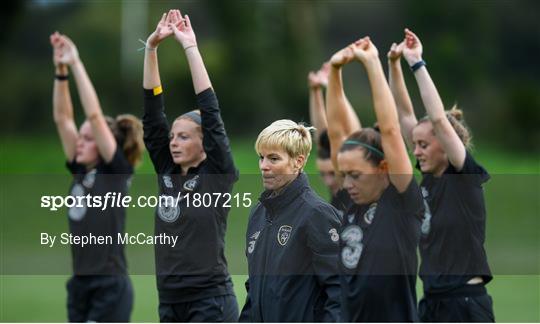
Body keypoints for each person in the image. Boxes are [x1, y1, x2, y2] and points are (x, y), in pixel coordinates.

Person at [390, 28, 494, 322]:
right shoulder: (428, 184)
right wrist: (393, 64)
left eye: (424, 145)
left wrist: (416, 63)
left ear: (447, 147)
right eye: (415, 145)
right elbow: (403, 113)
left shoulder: (464, 179)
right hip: (432, 303)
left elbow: (437, 118)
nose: (416, 151)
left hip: (464, 303)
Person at [142, 9, 239, 322]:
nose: (173, 142)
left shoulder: (217, 175)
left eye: (184, 137)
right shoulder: (167, 172)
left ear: (204, 144)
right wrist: (152, 48)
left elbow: (211, 113)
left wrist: (190, 48)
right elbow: (153, 114)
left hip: (209, 301)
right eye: (173, 136)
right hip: (170, 302)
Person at [327, 37, 424, 322]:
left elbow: (392, 131)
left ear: (384, 168)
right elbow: (334, 133)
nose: (346, 185)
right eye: (344, 175)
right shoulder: (350, 200)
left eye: (355, 175)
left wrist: (372, 64)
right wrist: (335, 72)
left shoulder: (402, 203)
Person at [50, 32, 144, 322]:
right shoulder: (81, 171)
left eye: (88, 139)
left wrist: (76, 63)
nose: (79, 141)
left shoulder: (114, 173)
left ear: (106, 146)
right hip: (80, 285)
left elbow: (93, 115)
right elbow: (63, 119)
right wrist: (60, 72)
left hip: (109, 286)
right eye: (81, 138)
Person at [239, 120, 341, 322]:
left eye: (274, 158)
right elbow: (254, 289)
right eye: (261, 157)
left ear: (298, 161)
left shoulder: (317, 214)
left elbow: (340, 290)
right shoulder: (258, 213)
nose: (264, 166)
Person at [308, 63, 354, 212]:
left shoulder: (355, 192)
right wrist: (315, 92)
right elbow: (321, 134)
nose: (328, 182)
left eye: (332, 174)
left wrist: (333, 87)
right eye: (322, 174)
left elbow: (349, 130)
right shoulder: (336, 199)